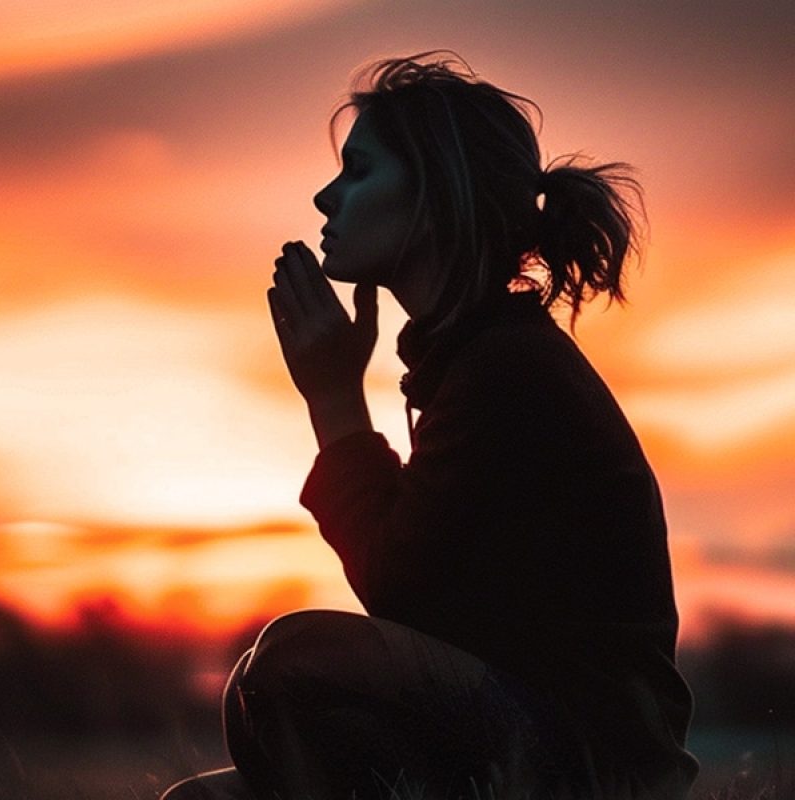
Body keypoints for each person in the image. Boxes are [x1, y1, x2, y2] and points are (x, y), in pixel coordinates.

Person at [162, 51, 699, 799]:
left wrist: (334, 402)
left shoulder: (510, 371)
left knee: (294, 657)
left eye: (359, 173)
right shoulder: (472, 361)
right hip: (522, 735)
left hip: (593, 764)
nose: (326, 197)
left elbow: (399, 590)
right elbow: (432, 607)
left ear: (435, 196)